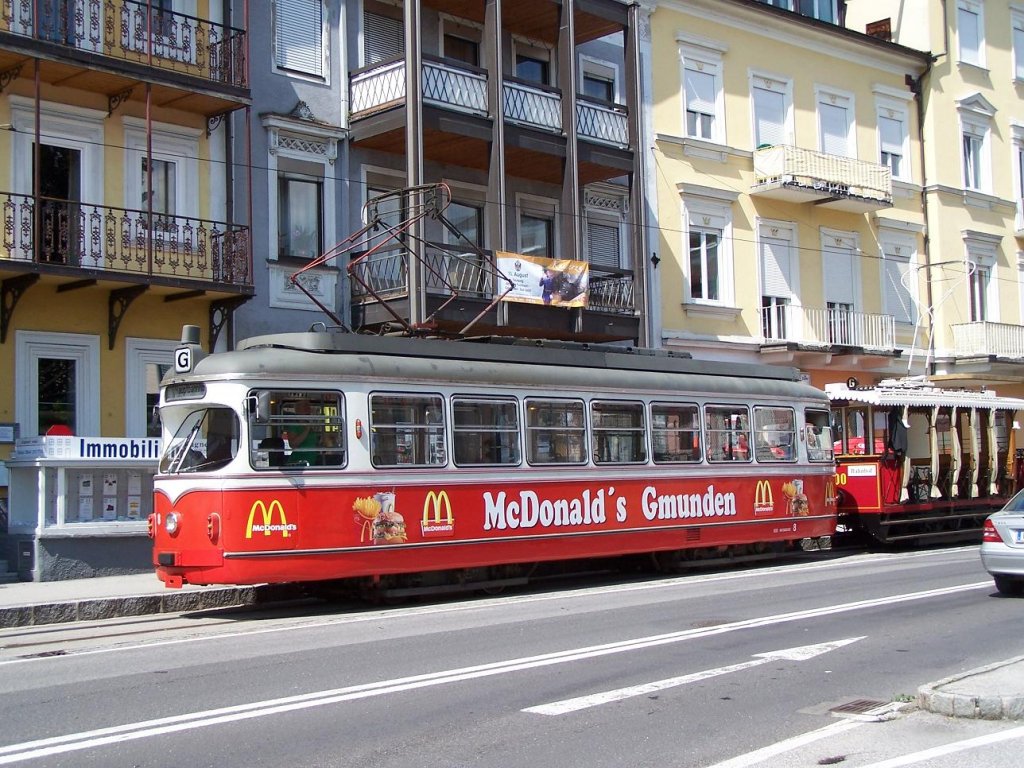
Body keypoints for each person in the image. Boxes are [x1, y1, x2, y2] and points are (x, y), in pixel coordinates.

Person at [284, 401, 319, 466]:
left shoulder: (311, 425)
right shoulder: (294, 426)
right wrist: (306, 430)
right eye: (305, 409)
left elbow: (313, 443)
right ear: (298, 412)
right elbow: (293, 444)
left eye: (308, 409)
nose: (308, 411)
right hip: (299, 462)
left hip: (312, 461)